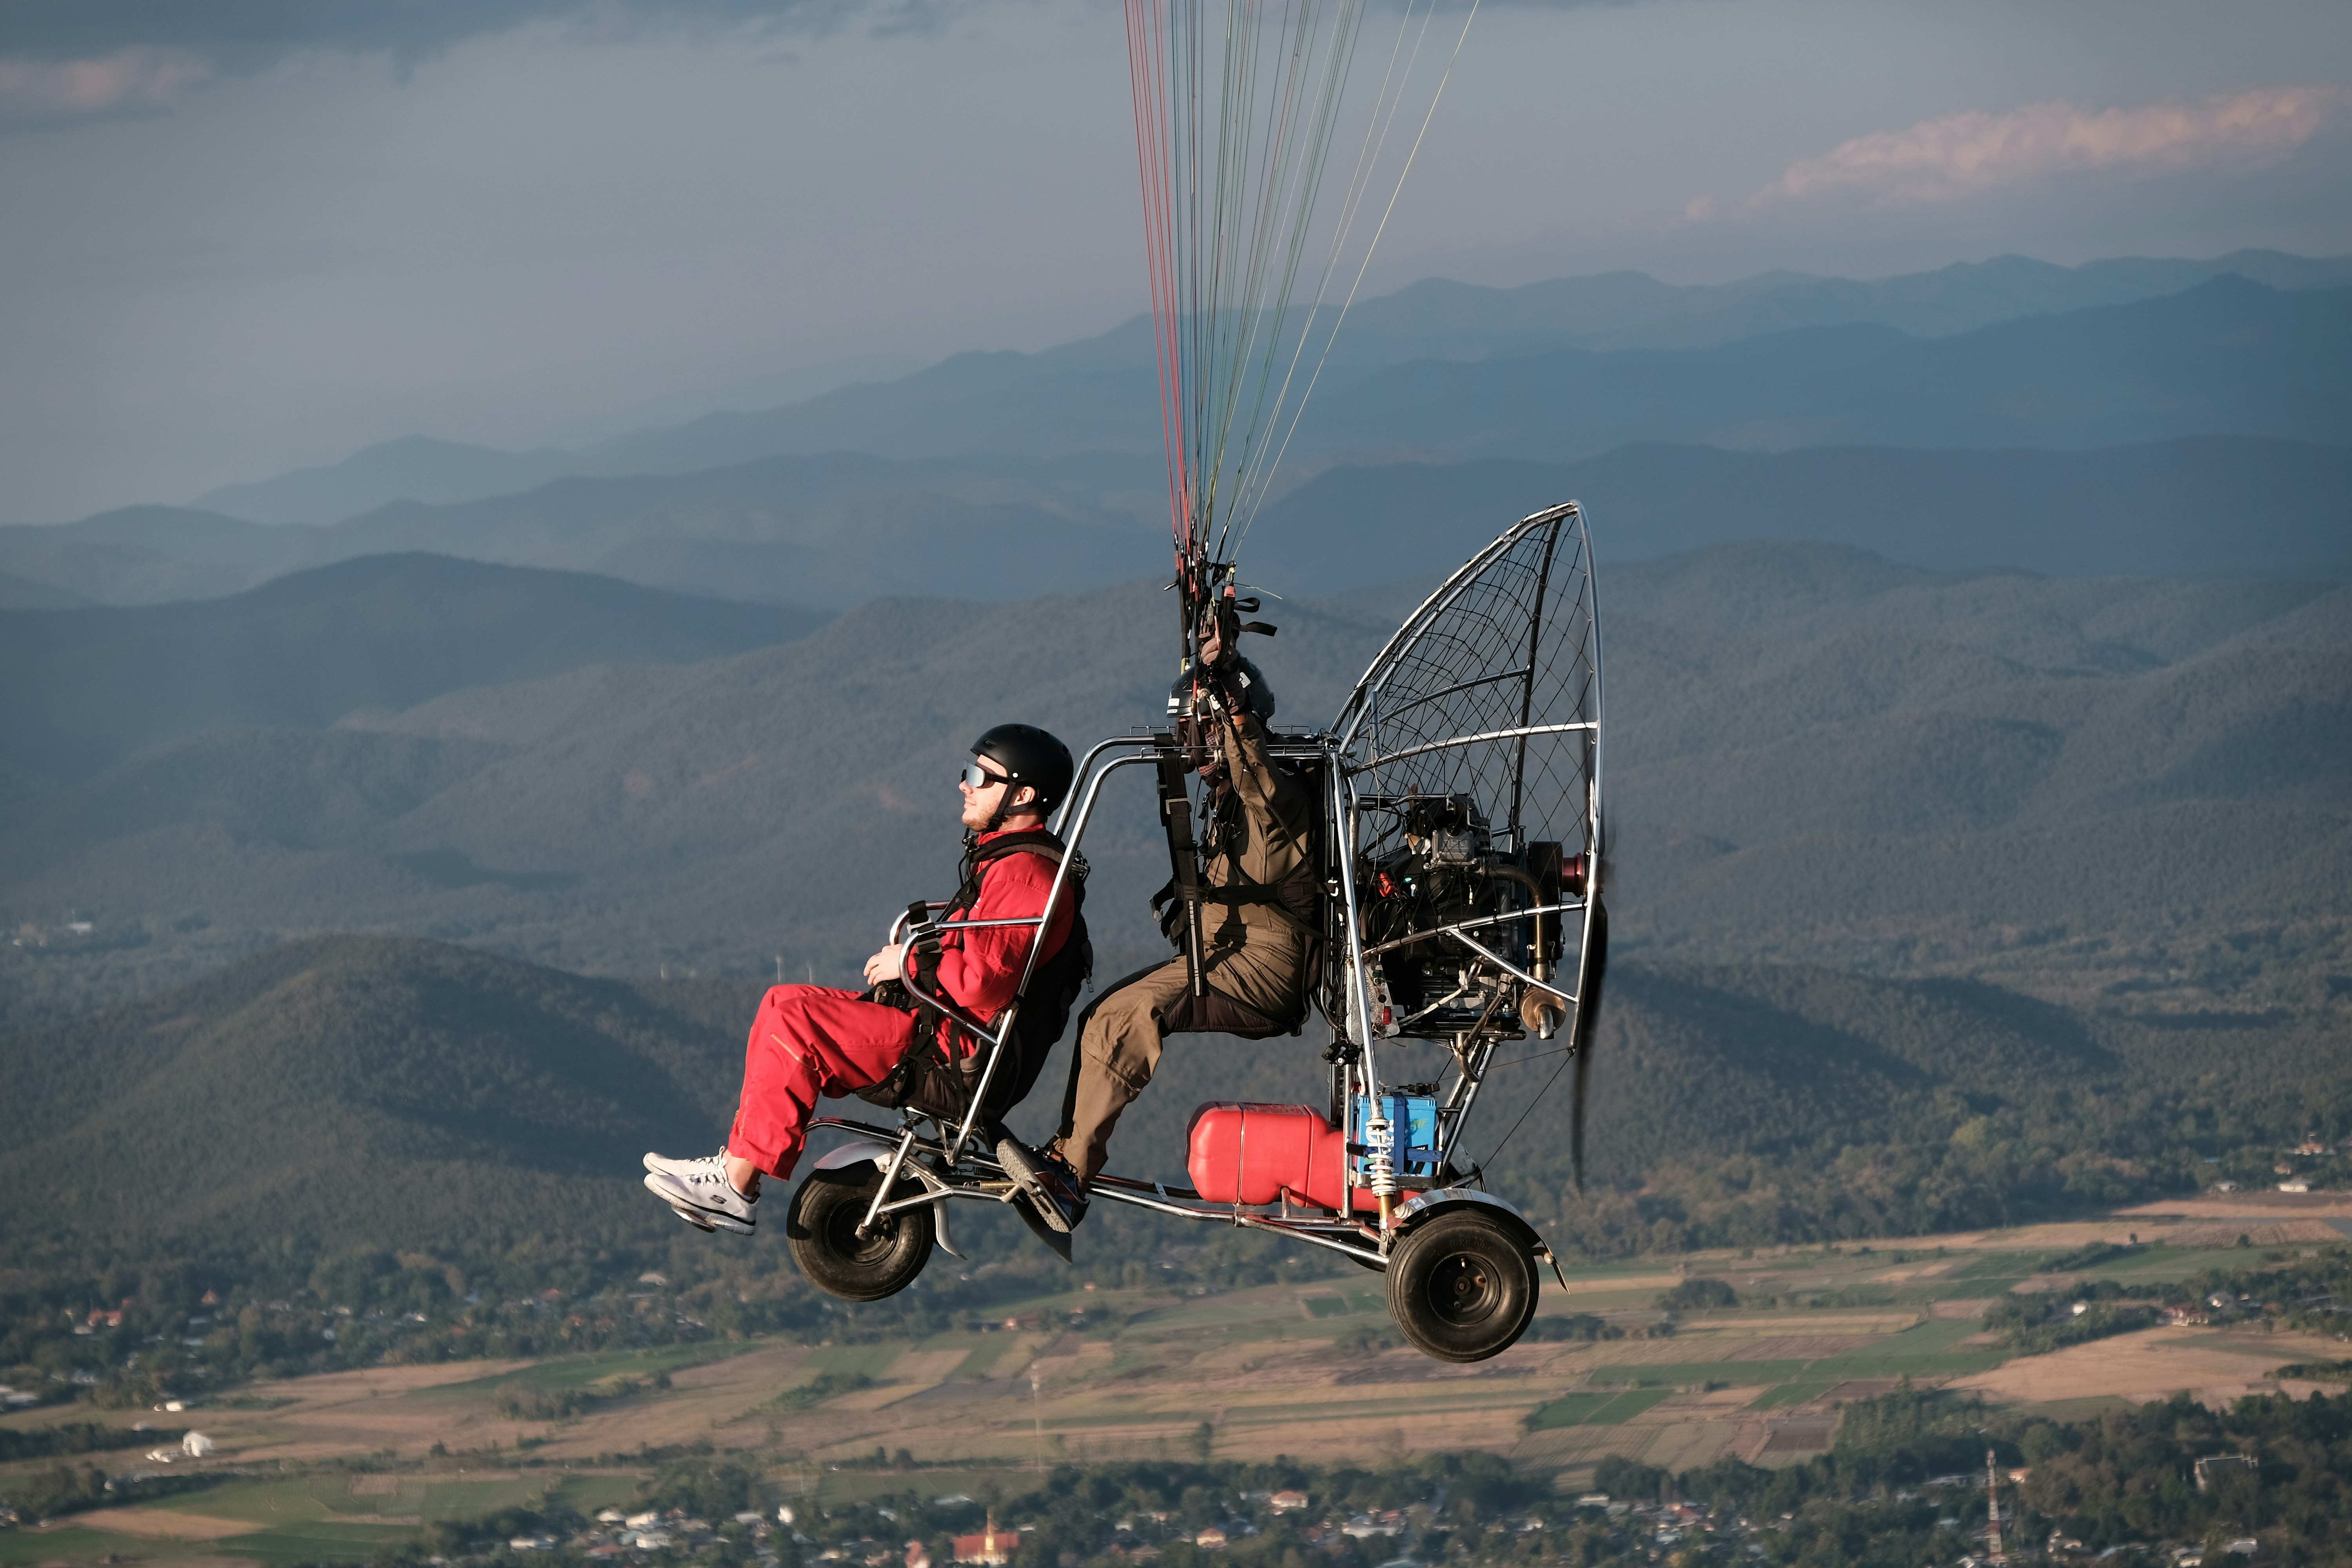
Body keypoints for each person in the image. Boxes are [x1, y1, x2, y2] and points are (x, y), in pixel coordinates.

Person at [643, 724, 1080, 1236]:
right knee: (782, 1000)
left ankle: (736, 1187)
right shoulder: (1007, 862)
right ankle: (736, 1165)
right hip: (943, 1029)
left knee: (796, 1022)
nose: (965, 784)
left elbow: (984, 983)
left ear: (1023, 796)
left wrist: (909, 962)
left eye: (980, 777)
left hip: (953, 1055)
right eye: (969, 772)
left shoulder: (1025, 875)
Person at [997, 633, 1318, 1234]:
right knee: (1102, 1015)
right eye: (1187, 732)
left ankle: (1070, 1177)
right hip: (1230, 953)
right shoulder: (1230, 799)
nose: (1192, 744)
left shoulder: (1280, 799)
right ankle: (1067, 1155)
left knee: (1125, 1018)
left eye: (1201, 731)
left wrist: (1233, 707)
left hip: (1260, 969)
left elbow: (1259, 780)